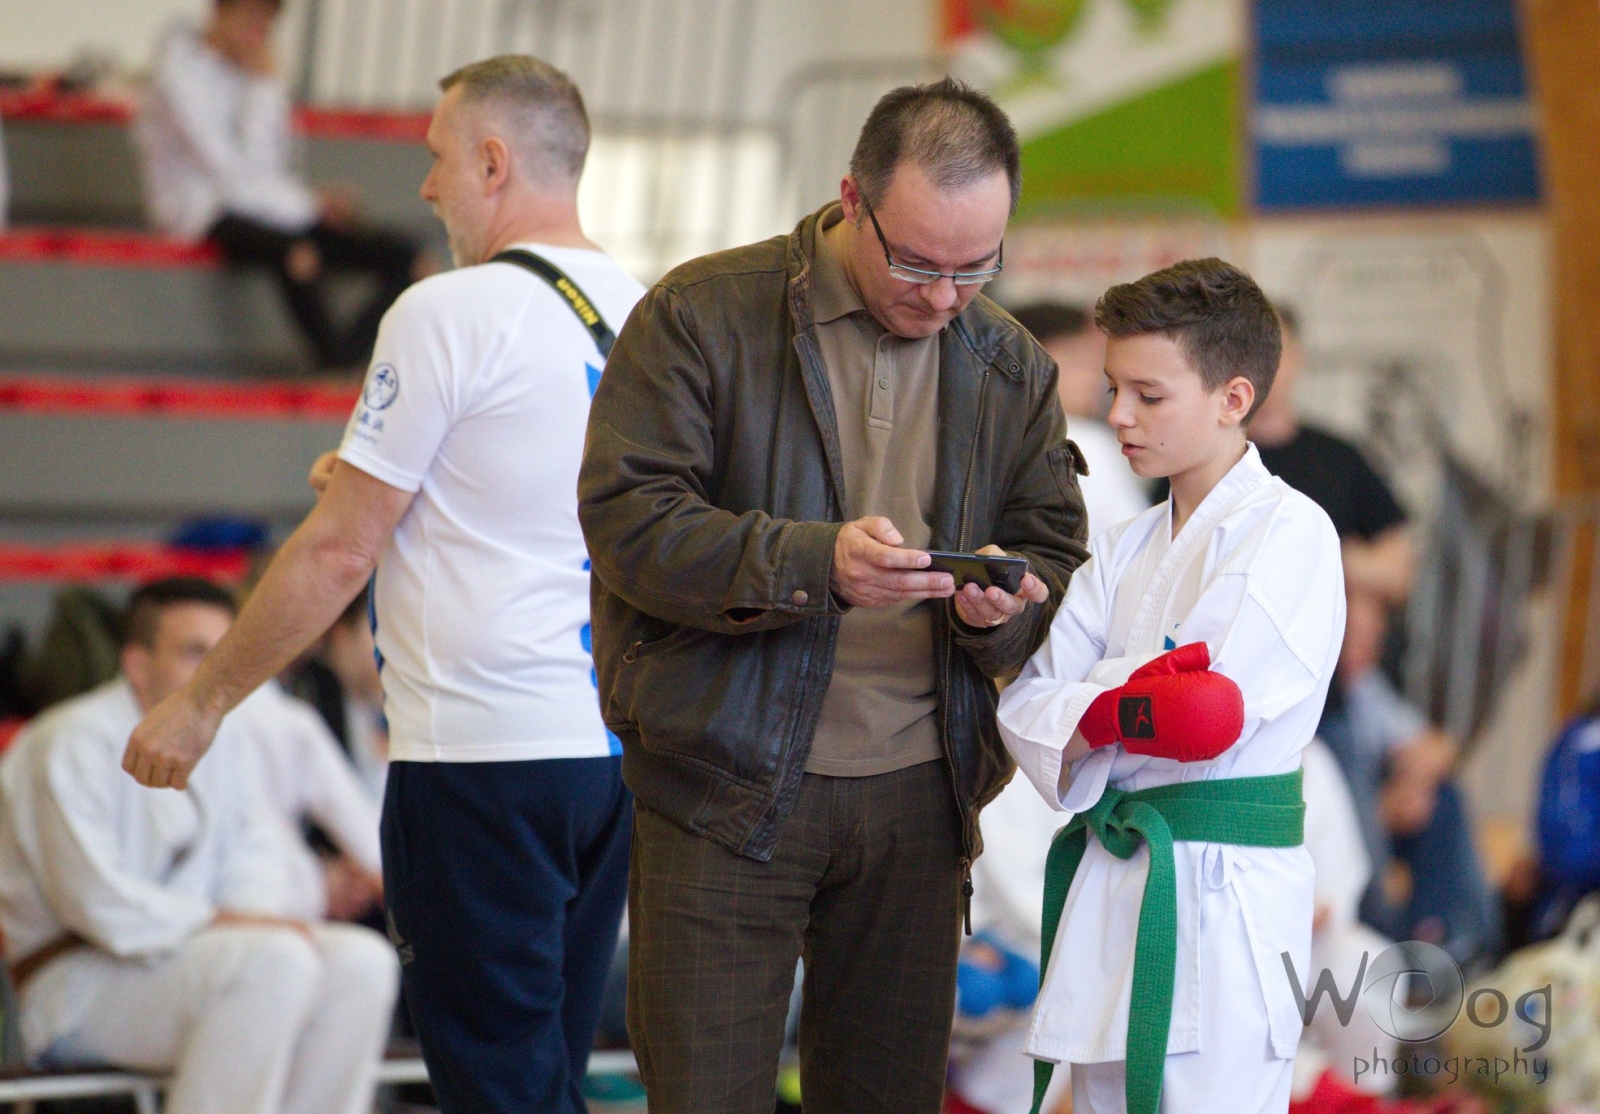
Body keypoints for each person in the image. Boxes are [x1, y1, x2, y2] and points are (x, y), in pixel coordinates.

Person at [122, 56, 644, 1114]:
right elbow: (557, 503)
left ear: (493, 163)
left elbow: (336, 552)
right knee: (545, 1069)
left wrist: (203, 700)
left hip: (483, 755)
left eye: (438, 157)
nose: (425, 186)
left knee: (497, 1085)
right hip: (612, 751)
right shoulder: (651, 310)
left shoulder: (448, 310)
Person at [578, 78, 1088, 1114]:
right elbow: (628, 520)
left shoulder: (1009, 364)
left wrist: (1006, 611)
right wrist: (817, 565)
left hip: (921, 796)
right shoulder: (701, 314)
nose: (943, 297)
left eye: (976, 267)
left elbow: (1053, 555)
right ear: (851, 198)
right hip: (722, 781)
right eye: (917, 262)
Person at [996, 259, 1346, 1114]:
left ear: (1233, 398)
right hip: (1115, 881)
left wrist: (1097, 702)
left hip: (1224, 899)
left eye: (1149, 396)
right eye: (1115, 388)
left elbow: (1210, 715)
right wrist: (1128, 705)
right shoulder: (1122, 548)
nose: (1118, 414)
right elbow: (1027, 706)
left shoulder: (1291, 531)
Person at [0, 577, 398, 1114]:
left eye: (223, 653)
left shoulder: (226, 741)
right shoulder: (67, 742)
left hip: (194, 961)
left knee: (361, 962)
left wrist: (259, 918)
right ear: (138, 664)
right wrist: (232, 924)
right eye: (194, 653)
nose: (214, 670)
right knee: (273, 960)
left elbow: (257, 857)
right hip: (78, 983)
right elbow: (98, 905)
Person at [135, 0, 432, 370]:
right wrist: (265, 86)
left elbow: (272, 171)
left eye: (266, 23)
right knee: (298, 256)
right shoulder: (178, 74)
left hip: (266, 207)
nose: (258, 33)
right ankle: (337, 360)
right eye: (251, 19)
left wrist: (311, 200)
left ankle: (351, 358)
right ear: (220, 12)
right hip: (203, 213)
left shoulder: (251, 72)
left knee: (410, 258)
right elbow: (233, 174)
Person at [1011, 302, 1150, 535]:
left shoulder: (988, 435)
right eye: (1079, 362)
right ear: (1029, 366)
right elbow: (1136, 539)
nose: (1094, 379)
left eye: (1097, 364)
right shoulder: (1087, 442)